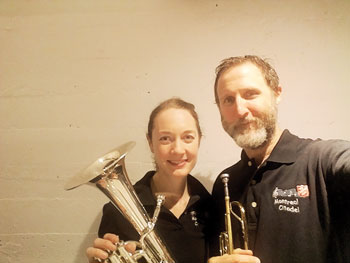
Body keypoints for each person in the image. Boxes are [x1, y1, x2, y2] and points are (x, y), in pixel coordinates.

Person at [210, 55, 350, 263]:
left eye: (250, 94)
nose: (240, 110)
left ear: (277, 93)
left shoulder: (322, 159)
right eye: (228, 100)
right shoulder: (226, 182)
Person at [86, 97, 260, 263]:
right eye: (165, 138)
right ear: (150, 143)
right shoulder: (117, 212)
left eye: (188, 137)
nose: (177, 150)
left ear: (199, 141)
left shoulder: (213, 208)